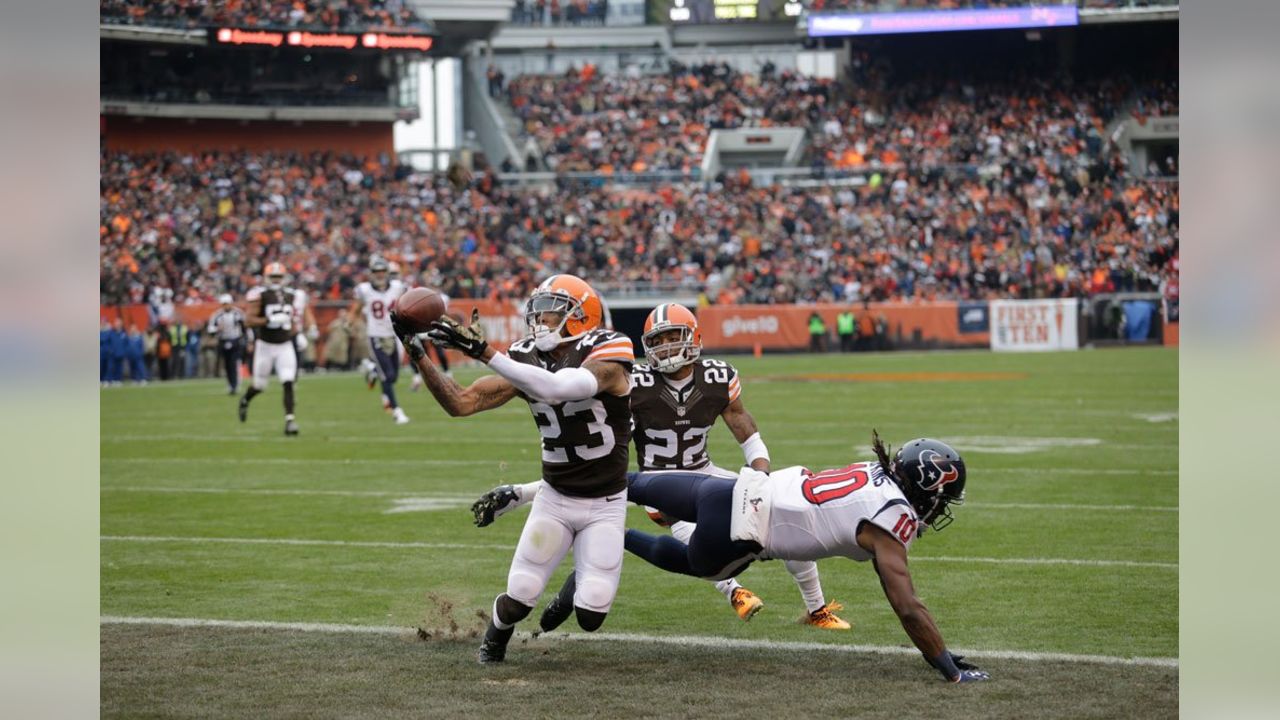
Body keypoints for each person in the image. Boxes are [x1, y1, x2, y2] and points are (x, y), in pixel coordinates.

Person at [473, 432, 991, 684]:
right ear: (925, 489)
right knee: (692, 563)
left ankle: (520, 494)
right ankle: (614, 543)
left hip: (726, 490)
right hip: (743, 535)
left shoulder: (873, 472)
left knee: (618, 480)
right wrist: (947, 666)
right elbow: (906, 605)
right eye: (942, 497)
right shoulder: (892, 517)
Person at [486, 303, 848, 630]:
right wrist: (524, 492)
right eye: (659, 340)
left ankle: (816, 608)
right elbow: (600, 459)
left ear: (694, 339)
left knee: (784, 510)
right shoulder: (636, 384)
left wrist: (760, 474)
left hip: (704, 472)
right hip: (659, 485)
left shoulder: (717, 377)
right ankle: (733, 591)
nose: (667, 347)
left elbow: (746, 429)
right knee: (702, 547)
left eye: (675, 338)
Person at [393, 274, 634, 664]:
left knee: (591, 616)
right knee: (519, 596)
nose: (540, 322)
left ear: (580, 316)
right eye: (536, 313)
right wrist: (416, 350)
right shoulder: (525, 358)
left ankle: (578, 585)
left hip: (605, 503)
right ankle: (495, 636)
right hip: (555, 498)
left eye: (551, 312)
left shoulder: (609, 349)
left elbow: (560, 388)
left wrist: (486, 352)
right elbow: (461, 403)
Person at [239, 262, 303, 436]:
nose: (276, 280)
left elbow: (295, 317)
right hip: (265, 345)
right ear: (267, 278)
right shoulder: (259, 294)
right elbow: (248, 320)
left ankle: (290, 421)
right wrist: (268, 321)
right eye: (273, 277)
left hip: (285, 345)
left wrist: (300, 332)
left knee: (288, 381)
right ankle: (245, 400)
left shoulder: (291, 295)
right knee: (259, 385)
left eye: (279, 277)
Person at [348, 257, 410, 424]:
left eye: (383, 271)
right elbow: (356, 309)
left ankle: (373, 371)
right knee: (388, 375)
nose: (380, 275)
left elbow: (409, 305)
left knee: (394, 376)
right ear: (371, 274)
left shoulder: (398, 287)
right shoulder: (364, 290)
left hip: (394, 334)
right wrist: (350, 323)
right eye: (377, 272)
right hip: (376, 335)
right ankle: (397, 411)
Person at [207, 294, 246, 394]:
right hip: (223, 340)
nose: (226, 306)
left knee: (234, 363)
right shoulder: (217, 315)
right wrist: (217, 329)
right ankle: (230, 384)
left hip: (235, 340)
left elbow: (245, 327)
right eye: (224, 304)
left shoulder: (238, 313)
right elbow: (210, 329)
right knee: (227, 364)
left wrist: (248, 340)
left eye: (227, 304)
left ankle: (235, 384)